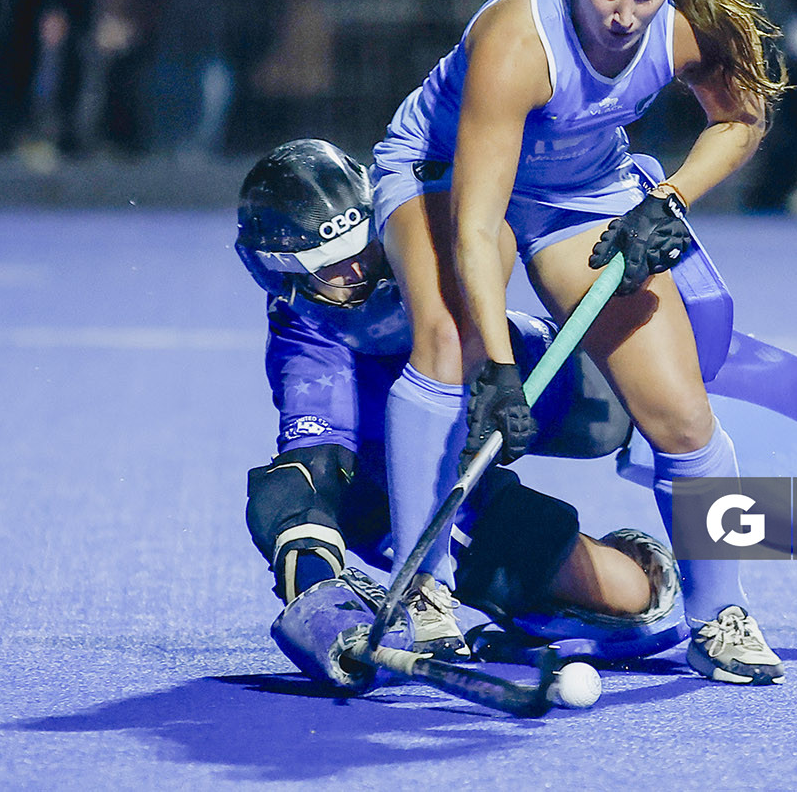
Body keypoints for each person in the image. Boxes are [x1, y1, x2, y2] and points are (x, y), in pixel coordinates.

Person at [369, 0, 790, 684]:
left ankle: (719, 615)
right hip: (444, 175)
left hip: (582, 191)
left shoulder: (683, 24)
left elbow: (742, 117)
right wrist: (496, 367)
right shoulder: (517, 43)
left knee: (681, 412)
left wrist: (668, 200)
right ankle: (425, 591)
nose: (624, 14)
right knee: (448, 345)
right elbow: (477, 223)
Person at [235, 138, 690, 672]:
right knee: (634, 597)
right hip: (425, 463)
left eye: (362, 247)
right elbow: (311, 468)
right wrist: (316, 600)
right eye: (331, 266)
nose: (358, 269)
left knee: (661, 419)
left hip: (529, 374)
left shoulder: (412, 223)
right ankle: (493, 596)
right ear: (280, 271)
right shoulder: (305, 337)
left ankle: (780, 538)